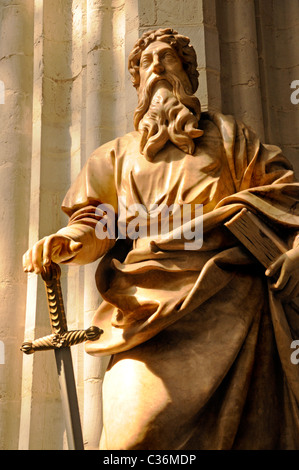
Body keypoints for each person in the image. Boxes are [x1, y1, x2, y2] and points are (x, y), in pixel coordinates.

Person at [23, 28, 299, 450]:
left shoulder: (231, 137)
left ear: (187, 75)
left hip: (230, 301)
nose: (156, 67)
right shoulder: (114, 155)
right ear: (137, 83)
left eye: (167, 58)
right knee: (131, 440)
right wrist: (67, 240)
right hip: (142, 309)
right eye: (146, 63)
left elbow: (285, 198)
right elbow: (96, 221)